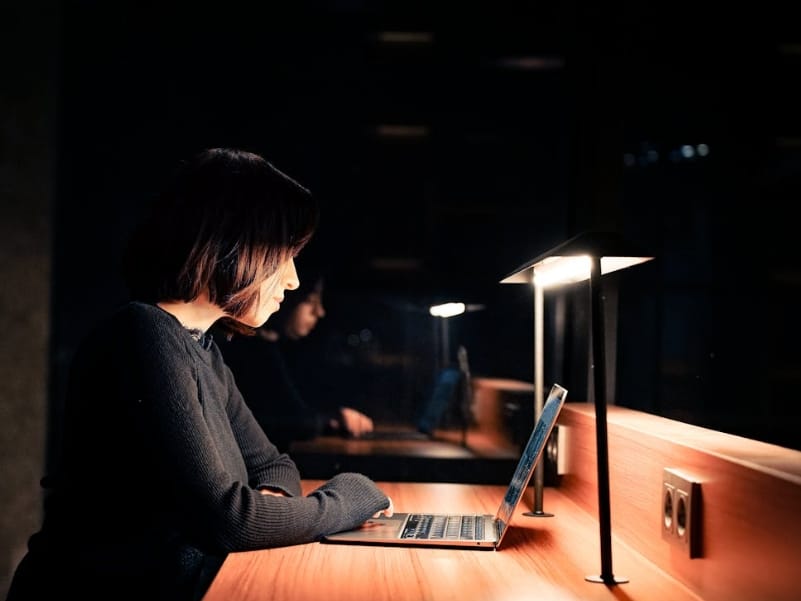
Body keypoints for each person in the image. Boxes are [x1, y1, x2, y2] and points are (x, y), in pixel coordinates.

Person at [6, 148, 393, 601]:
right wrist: (349, 496)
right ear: (235, 243)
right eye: (285, 255)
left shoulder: (200, 347)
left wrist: (265, 511)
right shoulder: (143, 334)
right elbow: (230, 520)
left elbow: (273, 465)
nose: (291, 279)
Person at [213, 268, 374, 452]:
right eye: (310, 301)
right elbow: (283, 421)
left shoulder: (278, 349)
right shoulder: (246, 351)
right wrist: (329, 420)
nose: (319, 311)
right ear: (286, 298)